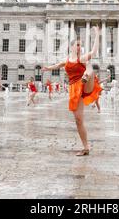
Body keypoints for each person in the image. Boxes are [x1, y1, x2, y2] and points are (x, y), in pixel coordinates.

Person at [42, 26, 101, 156]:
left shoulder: (82, 58)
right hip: (75, 89)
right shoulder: (67, 60)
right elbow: (57, 65)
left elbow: (94, 51)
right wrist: (48, 68)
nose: (80, 47)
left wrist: (97, 35)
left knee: (89, 66)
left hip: (86, 84)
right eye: (78, 45)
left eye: (81, 45)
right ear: (72, 46)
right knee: (78, 120)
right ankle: (86, 148)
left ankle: (86, 76)